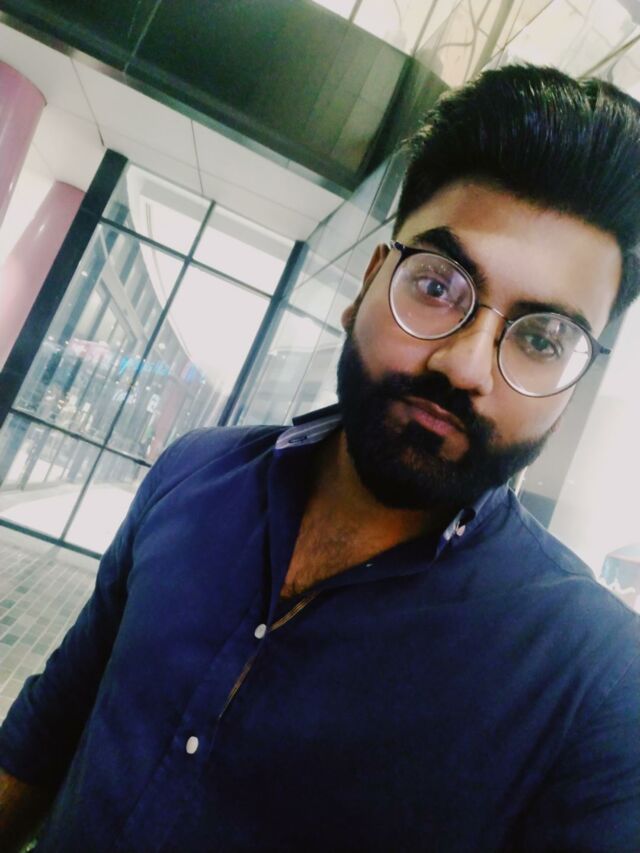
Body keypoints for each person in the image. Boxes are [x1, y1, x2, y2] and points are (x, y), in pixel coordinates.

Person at [1, 64, 639, 852]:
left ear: (573, 386)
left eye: (542, 338)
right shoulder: (191, 474)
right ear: (368, 282)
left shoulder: (598, 681)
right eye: (438, 286)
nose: (465, 366)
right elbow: (44, 734)